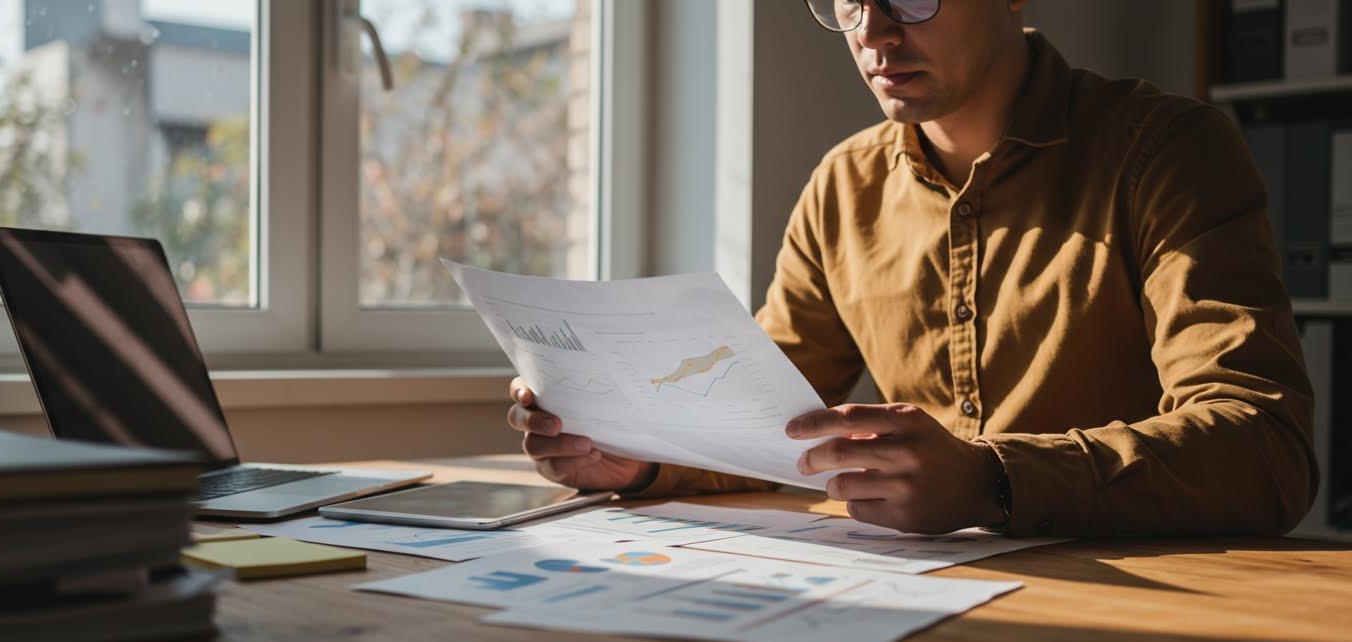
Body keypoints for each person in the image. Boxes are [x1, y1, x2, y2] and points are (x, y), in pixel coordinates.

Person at [507, 0, 1318, 537]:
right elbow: (766, 421)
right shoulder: (843, 187)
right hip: (917, 614)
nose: (876, 31)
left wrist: (997, 480)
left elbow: (1266, 449)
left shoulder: (1165, 151)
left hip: (1141, 620)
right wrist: (640, 460)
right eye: (850, 1)